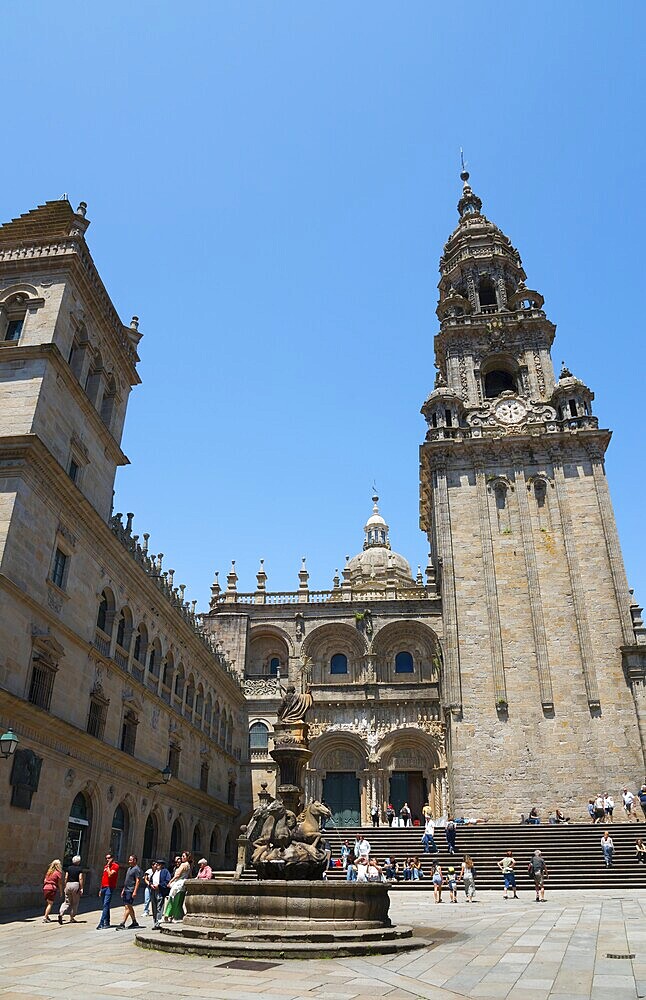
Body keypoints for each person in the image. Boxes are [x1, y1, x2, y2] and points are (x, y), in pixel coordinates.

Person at [116, 854, 143, 929]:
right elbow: (127, 880)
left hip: (131, 890)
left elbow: (138, 881)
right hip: (126, 889)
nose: (129, 861)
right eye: (129, 860)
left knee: (128, 906)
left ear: (135, 860)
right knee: (128, 906)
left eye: (130, 860)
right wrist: (123, 890)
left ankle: (122, 923)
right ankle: (134, 922)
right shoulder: (129, 868)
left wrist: (135, 891)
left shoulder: (136, 869)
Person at [164, 850, 192, 921]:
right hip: (183, 884)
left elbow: (177, 875)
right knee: (180, 901)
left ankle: (169, 915)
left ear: (187, 857)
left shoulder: (183, 865)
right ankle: (178, 915)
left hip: (178, 883)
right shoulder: (189, 865)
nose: (182, 857)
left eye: (183, 856)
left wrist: (170, 882)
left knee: (172, 899)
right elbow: (190, 876)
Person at [96, 852, 119, 929]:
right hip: (104, 887)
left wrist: (109, 867)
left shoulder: (115, 866)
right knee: (106, 905)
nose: (107, 860)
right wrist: (100, 889)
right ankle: (107, 921)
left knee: (106, 905)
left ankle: (101, 923)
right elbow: (103, 877)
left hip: (110, 887)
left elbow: (110, 875)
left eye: (109, 858)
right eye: (106, 858)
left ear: (112, 858)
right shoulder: (106, 866)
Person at [58, 855, 84, 923]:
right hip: (75, 884)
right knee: (75, 902)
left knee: (67, 901)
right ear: (78, 862)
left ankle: (61, 913)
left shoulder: (69, 868)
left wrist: (65, 885)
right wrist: (81, 888)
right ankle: (72, 917)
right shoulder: (79, 869)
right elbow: (80, 878)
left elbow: (66, 877)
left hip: (68, 884)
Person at [151, 860, 172, 929]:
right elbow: (151, 879)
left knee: (159, 907)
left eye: (159, 864)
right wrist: (151, 884)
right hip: (153, 890)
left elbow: (167, 881)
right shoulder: (155, 872)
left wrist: (159, 885)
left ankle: (158, 923)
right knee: (154, 907)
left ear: (162, 865)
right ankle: (155, 922)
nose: (157, 865)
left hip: (160, 891)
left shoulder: (165, 872)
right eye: (157, 864)